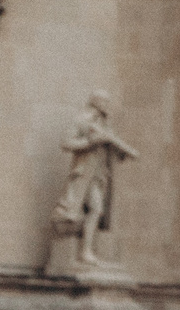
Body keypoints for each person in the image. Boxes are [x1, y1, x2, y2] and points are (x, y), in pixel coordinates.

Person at [54, 91, 137, 268]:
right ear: (96, 102)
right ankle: (85, 251)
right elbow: (66, 143)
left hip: (99, 176)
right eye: (104, 102)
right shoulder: (81, 120)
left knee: (97, 210)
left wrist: (120, 151)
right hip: (84, 173)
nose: (107, 105)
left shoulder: (105, 125)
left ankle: (87, 250)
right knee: (91, 208)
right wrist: (90, 142)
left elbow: (112, 149)